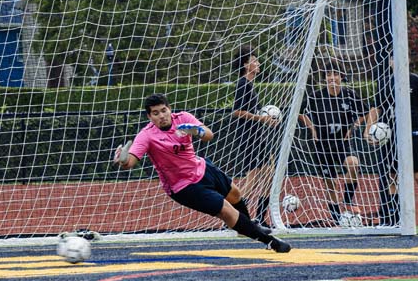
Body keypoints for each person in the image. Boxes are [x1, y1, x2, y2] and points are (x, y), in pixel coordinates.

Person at [114, 93, 291, 253]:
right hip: (183, 186)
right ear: (149, 116)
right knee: (226, 210)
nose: (161, 116)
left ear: (169, 109)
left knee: (235, 194)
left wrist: (195, 130)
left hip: (202, 168)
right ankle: (270, 242)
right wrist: (121, 160)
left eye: (163, 110)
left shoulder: (183, 117)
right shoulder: (146, 135)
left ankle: (246, 227)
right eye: (155, 113)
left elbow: (209, 135)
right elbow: (129, 162)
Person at [365, 58, 418, 229]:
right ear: (390, 62)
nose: (396, 61)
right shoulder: (383, 82)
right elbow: (377, 108)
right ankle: (395, 219)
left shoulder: (417, 81)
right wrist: (368, 129)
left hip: (413, 133)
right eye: (393, 58)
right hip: (390, 135)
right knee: (392, 177)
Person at [301, 63, 369, 225]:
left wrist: (353, 127)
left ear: (341, 77)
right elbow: (299, 111)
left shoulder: (349, 95)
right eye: (328, 74)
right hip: (322, 145)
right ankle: (336, 217)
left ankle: (347, 201)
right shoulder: (316, 96)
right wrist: (312, 128)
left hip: (342, 143)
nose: (332, 77)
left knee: (353, 164)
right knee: (330, 182)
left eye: (335, 74)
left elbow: (366, 113)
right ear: (325, 78)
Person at [230, 44, 280, 226]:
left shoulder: (250, 85)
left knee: (267, 175)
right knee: (256, 178)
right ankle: (236, 215)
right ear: (245, 65)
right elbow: (237, 111)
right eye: (254, 60)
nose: (258, 63)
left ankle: (258, 216)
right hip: (249, 137)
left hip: (256, 135)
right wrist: (262, 118)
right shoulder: (243, 84)